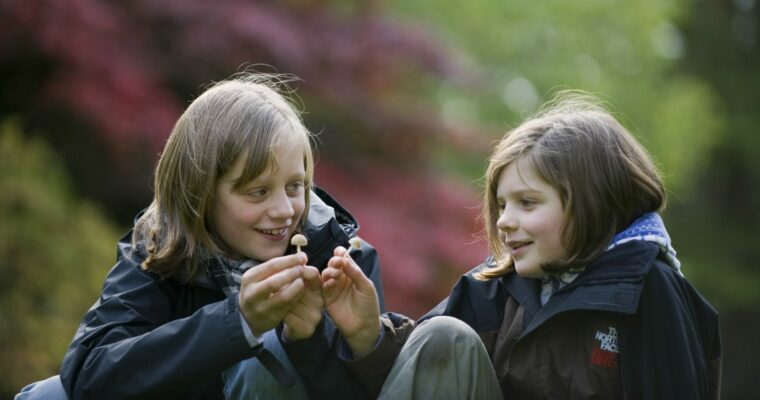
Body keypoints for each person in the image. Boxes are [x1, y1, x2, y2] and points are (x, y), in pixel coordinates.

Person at [321, 92, 722, 399]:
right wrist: (366, 335)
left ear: (591, 202)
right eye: (500, 205)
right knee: (444, 336)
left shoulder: (649, 290)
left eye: (527, 203)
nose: (504, 221)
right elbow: (422, 379)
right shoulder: (491, 288)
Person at [14, 72, 385, 400]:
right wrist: (236, 322)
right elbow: (89, 375)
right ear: (201, 194)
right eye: (258, 192)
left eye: (295, 186)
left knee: (269, 356)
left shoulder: (343, 259)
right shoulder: (159, 248)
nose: (285, 211)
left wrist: (316, 343)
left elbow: (368, 389)